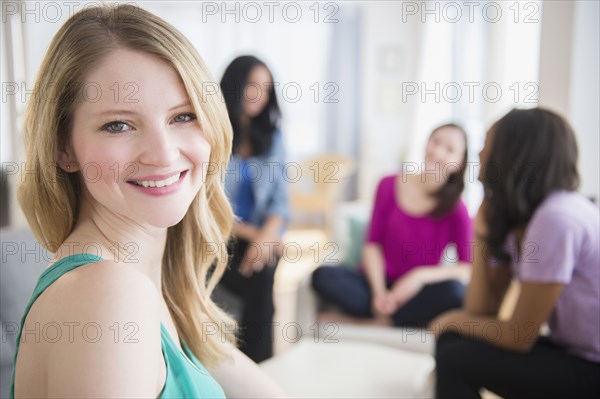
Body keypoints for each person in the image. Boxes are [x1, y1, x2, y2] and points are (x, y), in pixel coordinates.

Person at [11, 4, 286, 397]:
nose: (163, 154)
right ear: (63, 149)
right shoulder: (108, 297)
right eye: (118, 124)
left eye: (183, 116)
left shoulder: (158, 290)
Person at [432, 108, 600, 398]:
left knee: (454, 355)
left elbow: (519, 336)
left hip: (591, 368)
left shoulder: (557, 218)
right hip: (574, 351)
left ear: (515, 153)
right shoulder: (524, 217)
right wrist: (482, 236)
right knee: (453, 342)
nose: (480, 153)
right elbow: (483, 311)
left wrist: (451, 319)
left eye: (487, 143)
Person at [312, 124, 473, 328]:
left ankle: (372, 321)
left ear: (460, 162)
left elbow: (465, 268)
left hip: (414, 293)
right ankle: (388, 317)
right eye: (436, 142)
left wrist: (419, 277)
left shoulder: (457, 209)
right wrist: (380, 293)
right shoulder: (388, 184)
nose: (438, 152)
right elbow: (372, 244)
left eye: (450, 149)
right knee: (323, 276)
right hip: (372, 285)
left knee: (454, 292)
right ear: (426, 144)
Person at [217, 55, 289, 362]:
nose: (259, 95)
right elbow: (206, 207)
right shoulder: (211, 135)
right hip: (217, 235)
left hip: (256, 236)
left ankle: (252, 367)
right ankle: (259, 369)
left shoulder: (273, 140)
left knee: (264, 268)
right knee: (262, 282)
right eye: (252, 86)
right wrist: (258, 236)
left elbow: (281, 203)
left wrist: (268, 235)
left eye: (266, 88)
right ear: (235, 85)